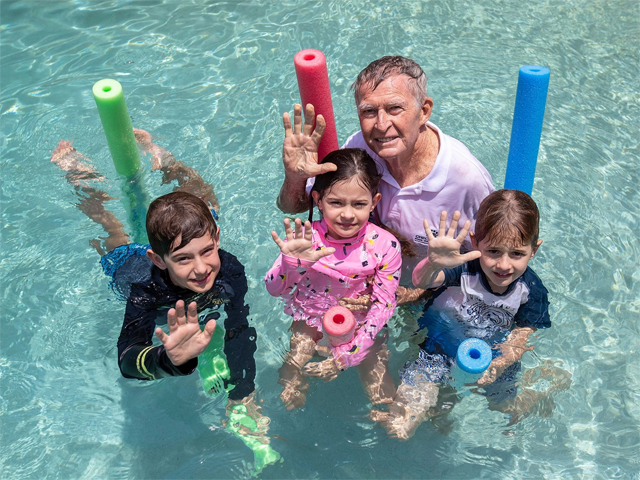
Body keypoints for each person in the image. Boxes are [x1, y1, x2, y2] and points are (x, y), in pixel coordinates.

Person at [50, 132, 280, 473]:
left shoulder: (228, 269)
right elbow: (127, 358)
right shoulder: (145, 291)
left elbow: (239, 329)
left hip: (181, 239)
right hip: (126, 263)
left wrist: (241, 393)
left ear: (217, 239)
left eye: (207, 251)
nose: (202, 268)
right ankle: (76, 172)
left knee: (204, 200)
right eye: (184, 259)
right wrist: (167, 360)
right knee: (111, 228)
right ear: (159, 260)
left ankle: (162, 157)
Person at [276, 56, 495, 292]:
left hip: (438, 288)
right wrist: (295, 176)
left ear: (424, 111)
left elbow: (497, 261)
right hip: (372, 277)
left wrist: (418, 292)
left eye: (394, 109)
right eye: (369, 111)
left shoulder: (467, 180)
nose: (381, 124)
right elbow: (296, 207)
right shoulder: (360, 148)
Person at [375, 190, 570, 439]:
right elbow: (424, 282)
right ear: (475, 242)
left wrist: (499, 364)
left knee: (504, 407)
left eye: (517, 254)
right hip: (437, 346)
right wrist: (434, 263)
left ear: (534, 250)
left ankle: (540, 389)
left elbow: (522, 337)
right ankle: (436, 410)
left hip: (493, 358)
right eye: (494, 252)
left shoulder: (531, 291)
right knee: (400, 426)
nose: (504, 265)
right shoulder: (465, 268)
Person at [265, 148, 402, 411]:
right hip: (310, 318)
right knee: (291, 374)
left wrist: (346, 357)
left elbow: (383, 306)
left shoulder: (385, 246)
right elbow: (273, 288)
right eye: (336, 203)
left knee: (384, 395)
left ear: (374, 202)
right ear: (317, 199)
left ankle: (391, 416)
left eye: (359, 204)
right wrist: (292, 263)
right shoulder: (306, 240)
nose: (347, 215)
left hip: (363, 323)